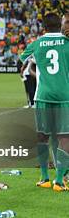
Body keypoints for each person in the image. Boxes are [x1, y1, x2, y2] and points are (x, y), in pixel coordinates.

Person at [20, 12, 68, 192]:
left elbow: (21, 60)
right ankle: (60, 181)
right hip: (64, 96)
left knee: (42, 136)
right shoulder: (67, 43)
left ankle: (44, 178)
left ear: (43, 27)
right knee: (65, 138)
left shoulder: (36, 44)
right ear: (60, 26)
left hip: (43, 96)